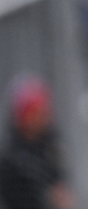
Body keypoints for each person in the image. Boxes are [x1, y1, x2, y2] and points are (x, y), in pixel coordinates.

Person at [0, 75, 74, 209]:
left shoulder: (51, 145)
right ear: (24, 117)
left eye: (45, 112)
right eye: (37, 113)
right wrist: (49, 199)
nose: (43, 118)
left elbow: (60, 180)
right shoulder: (11, 160)